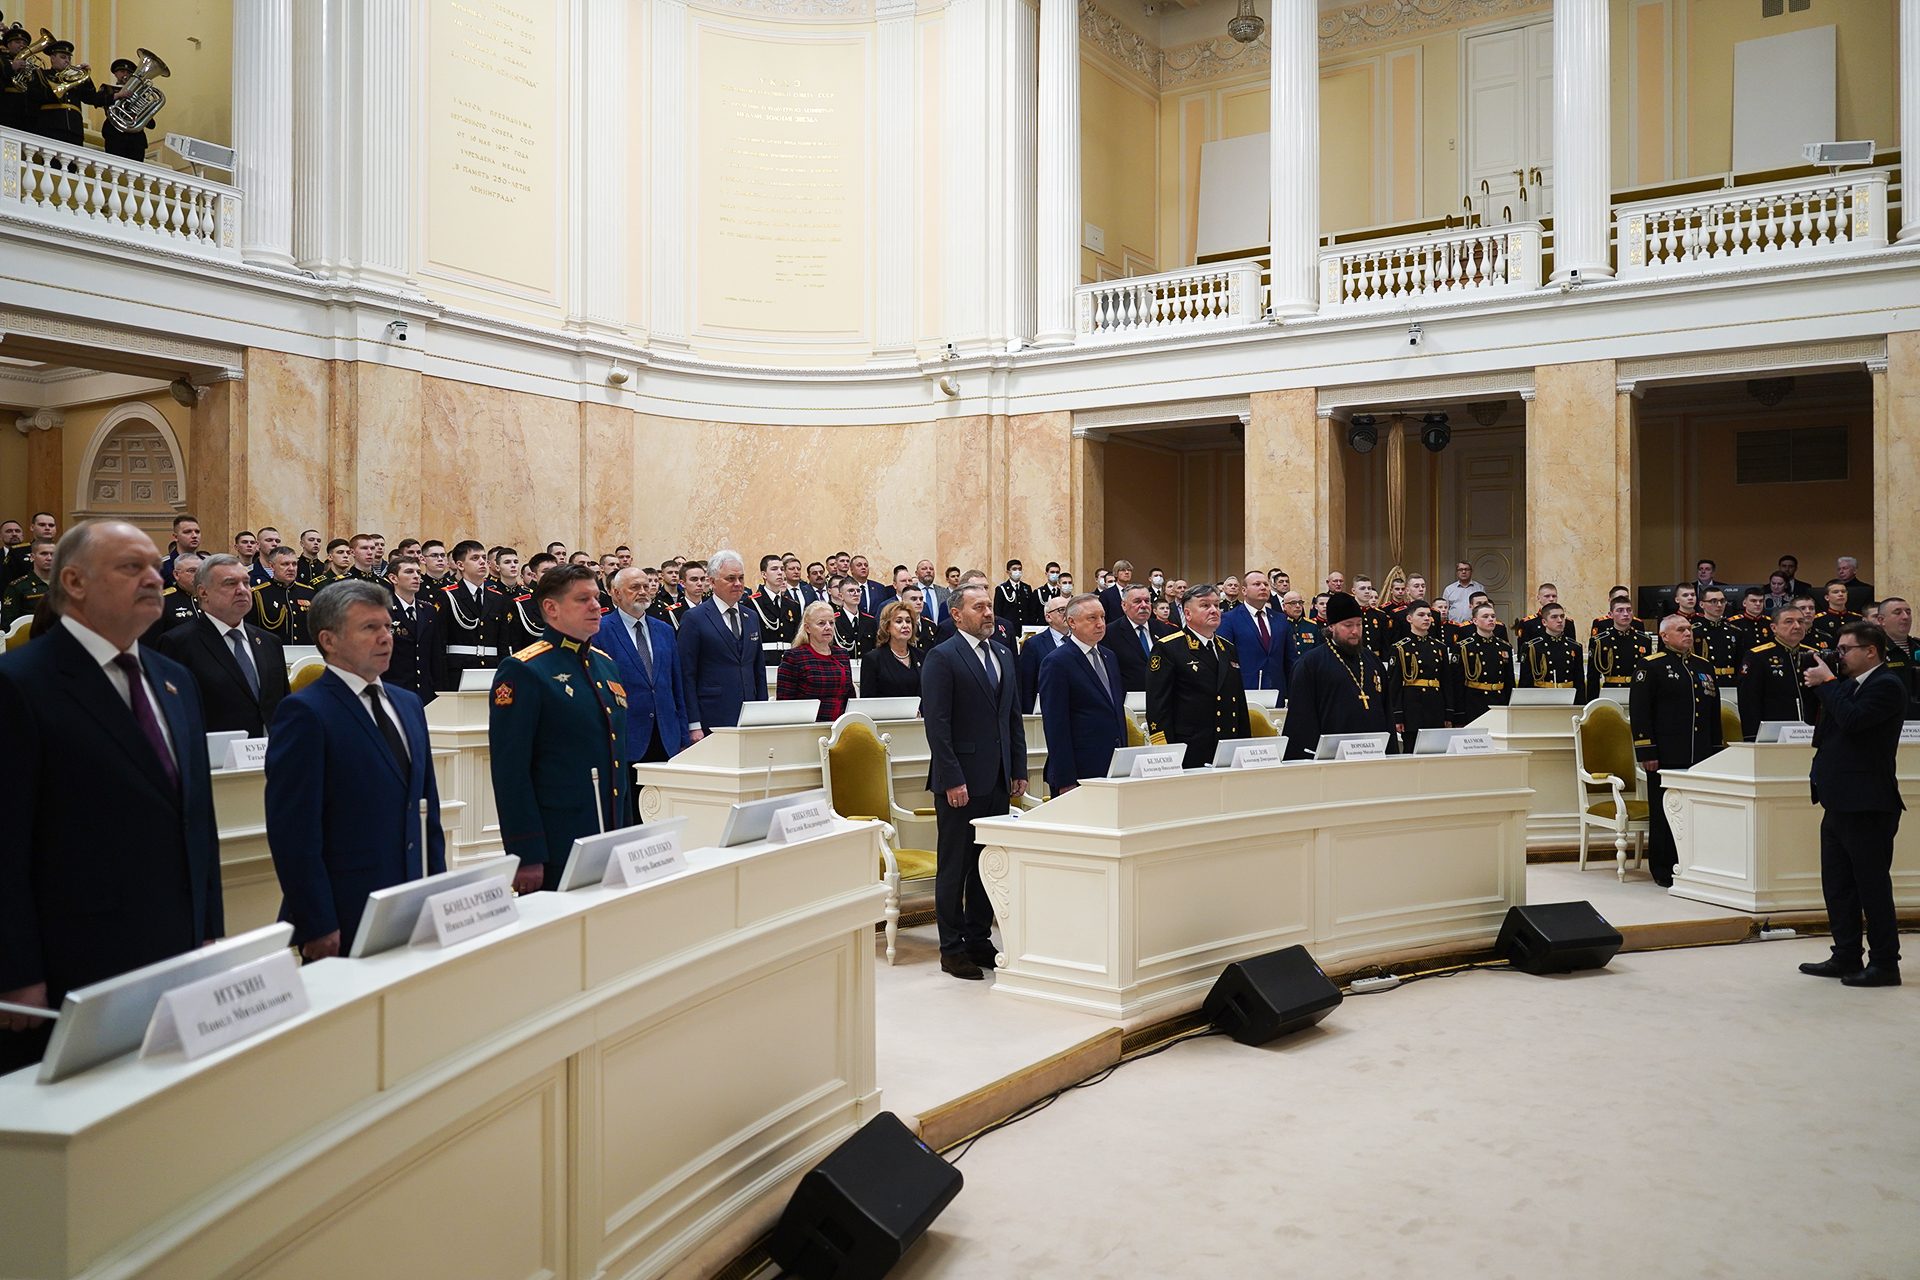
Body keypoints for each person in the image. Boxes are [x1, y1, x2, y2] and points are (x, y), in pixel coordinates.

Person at [0, 521, 223, 1072]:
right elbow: (4, 842)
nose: (155, 578)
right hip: (70, 963)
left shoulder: (174, 680)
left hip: (176, 949)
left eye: (155, 566)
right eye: (132, 567)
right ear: (72, 581)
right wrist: (14, 971)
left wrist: (210, 934)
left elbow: (195, 822)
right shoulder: (20, 683)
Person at [264, 581, 447, 960]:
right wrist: (316, 920)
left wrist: (438, 888)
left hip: (412, 895)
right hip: (345, 906)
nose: (385, 638)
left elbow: (426, 806)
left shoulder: (408, 703)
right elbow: (294, 831)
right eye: (369, 628)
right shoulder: (306, 711)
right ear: (329, 640)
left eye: (387, 627)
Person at [489, 565, 629, 893]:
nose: (597, 606)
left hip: (608, 832)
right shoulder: (525, 670)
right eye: (583, 599)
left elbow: (616, 757)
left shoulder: (605, 663)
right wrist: (526, 853)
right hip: (558, 840)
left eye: (597, 597)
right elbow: (511, 771)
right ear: (551, 608)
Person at [921, 582, 1027, 980]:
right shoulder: (942, 657)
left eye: (990, 606)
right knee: (955, 866)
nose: (989, 613)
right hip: (959, 781)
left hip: (997, 777)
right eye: (979, 606)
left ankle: (979, 938)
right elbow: (939, 725)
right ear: (957, 614)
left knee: (988, 864)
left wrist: (1017, 768)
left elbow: (1011, 717)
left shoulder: (1002, 653)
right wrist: (952, 778)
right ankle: (951, 949)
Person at [1798, 621, 1905, 986]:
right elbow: (1829, 733)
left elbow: (1855, 721)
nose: (1839, 656)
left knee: (1871, 886)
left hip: (1869, 804)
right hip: (1838, 801)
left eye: (1846, 650)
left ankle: (1885, 963)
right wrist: (1825, 686)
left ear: (1870, 651)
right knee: (1838, 885)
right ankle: (1845, 955)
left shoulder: (1887, 685)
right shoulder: (1848, 686)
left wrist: (1828, 684)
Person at [154, 552, 290, 737]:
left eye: (246, 582)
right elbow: (173, 713)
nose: (242, 589)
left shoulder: (269, 642)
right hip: (215, 758)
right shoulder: (179, 643)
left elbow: (282, 705)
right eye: (230, 583)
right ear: (203, 592)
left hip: (271, 754)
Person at [1631, 615, 1723, 886]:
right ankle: (1663, 868)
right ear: (1664, 636)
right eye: (1680, 629)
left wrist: (1716, 748)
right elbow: (1640, 712)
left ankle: (1696, 863)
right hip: (1665, 753)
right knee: (1665, 813)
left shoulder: (1704, 666)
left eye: (1689, 629)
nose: (1687, 633)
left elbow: (1712, 711)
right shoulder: (1651, 666)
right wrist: (1646, 751)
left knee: (1697, 811)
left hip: (1700, 752)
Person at [596, 567, 689, 817]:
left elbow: (675, 685)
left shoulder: (664, 630)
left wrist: (682, 735)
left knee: (664, 813)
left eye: (645, 586)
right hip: (627, 738)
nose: (642, 592)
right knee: (631, 815)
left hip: (666, 737)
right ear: (615, 594)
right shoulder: (601, 631)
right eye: (634, 587)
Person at [1144, 584, 1250, 769]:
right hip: (1190, 748)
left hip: (1228, 744)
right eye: (1205, 605)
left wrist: (1244, 745)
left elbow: (1238, 701)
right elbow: (1158, 705)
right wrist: (1166, 751)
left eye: (1217, 605)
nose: (1214, 610)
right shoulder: (1169, 648)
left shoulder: (1228, 648)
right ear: (1188, 613)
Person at [1282, 592, 1394, 759]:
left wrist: (1390, 752)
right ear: (1331, 627)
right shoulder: (1310, 664)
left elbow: (1386, 711)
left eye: (1359, 624)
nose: (1355, 631)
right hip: (1330, 758)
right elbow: (1301, 719)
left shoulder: (1372, 661)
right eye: (1348, 625)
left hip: (1373, 754)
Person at [1038, 594, 1127, 795]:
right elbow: (1055, 724)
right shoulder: (1057, 662)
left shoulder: (1109, 656)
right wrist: (1065, 778)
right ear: (1072, 622)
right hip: (1078, 771)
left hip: (1113, 766)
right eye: (1092, 618)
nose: (1100, 624)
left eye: (1103, 617)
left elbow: (1115, 712)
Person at [678, 549, 767, 738]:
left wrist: (762, 713)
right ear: (711, 582)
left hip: (750, 716)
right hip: (712, 715)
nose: (738, 584)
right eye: (730, 578)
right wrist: (693, 724)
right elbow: (687, 673)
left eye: (741, 578)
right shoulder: (694, 618)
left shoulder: (750, 616)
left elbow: (758, 669)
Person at [1738, 608, 1816, 741]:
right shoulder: (1758, 656)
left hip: (1810, 731)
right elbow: (1749, 700)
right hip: (1774, 732)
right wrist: (1752, 736)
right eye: (1789, 622)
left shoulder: (1814, 655)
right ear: (1774, 627)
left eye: (1800, 622)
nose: (1797, 626)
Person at [438, 539, 507, 687]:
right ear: (460, 565)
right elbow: (440, 642)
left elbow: (503, 644)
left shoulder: (497, 598)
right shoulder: (448, 596)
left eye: (483, 558)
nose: (482, 562)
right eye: (475, 558)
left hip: (492, 670)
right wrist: (442, 682)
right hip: (458, 671)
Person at [1217, 569, 1290, 697]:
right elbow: (1225, 660)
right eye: (1257, 584)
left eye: (1266, 584)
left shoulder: (1281, 619)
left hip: (1278, 691)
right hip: (1243, 691)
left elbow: (1290, 659)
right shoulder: (1229, 619)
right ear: (1244, 591)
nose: (1263, 587)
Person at [778, 601, 854, 722]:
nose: (828, 627)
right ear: (808, 628)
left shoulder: (842, 654)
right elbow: (785, 702)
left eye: (831, 623)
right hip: (807, 726)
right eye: (821, 623)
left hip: (840, 725)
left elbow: (850, 696)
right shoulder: (794, 657)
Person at [1390, 599, 1450, 753]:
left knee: (1436, 752)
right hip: (1412, 707)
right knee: (1411, 751)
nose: (1426, 619)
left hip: (1435, 706)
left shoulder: (1439, 647)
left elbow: (1446, 682)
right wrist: (1398, 715)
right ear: (1409, 619)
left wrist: (1448, 712)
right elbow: (1395, 685)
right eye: (1421, 615)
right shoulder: (1401, 648)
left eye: (1429, 615)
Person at [386, 557, 446, 701]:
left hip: (425, 691)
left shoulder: (428, 610)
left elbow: (436, 653)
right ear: (393, 578)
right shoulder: (383, 610)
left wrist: (440, 689)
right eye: (409, 572)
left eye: (418, 572)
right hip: (394, 689)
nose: (416, 576)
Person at [1452, 603, 1514, 723]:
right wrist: (1459, 712)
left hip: (1498, 700)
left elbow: (1509, 680)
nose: (1491, 619)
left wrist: (1509, 705)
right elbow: (1457, 682)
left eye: (1493, 616)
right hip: (1474, 702)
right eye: (1485, 616)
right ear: (1475, 621)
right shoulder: (1464, 647)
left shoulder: (1504, 646)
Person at [1518, 603, 1588, 702]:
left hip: (1568, 697)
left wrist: (1580, 704)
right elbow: (1525, 681)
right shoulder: (1532, 647)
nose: (1560, 620)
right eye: (1554, 617)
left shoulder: (1575, 647)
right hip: (1541, 698)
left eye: (1562, 616)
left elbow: (1579, 681)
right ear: (1544, 622)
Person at [1016, 593, 1072, 711]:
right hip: (1046, 709)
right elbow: (1026, 685)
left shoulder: (1080, 640)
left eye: (1070, 609)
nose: (1067, 614)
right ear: (1048, 617)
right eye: (1062, 610)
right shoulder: (1033, 645)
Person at [250, 546, 315, 646]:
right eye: (285, 564)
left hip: (304, 655)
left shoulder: (308, 593)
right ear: (272, 566)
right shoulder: (259, 594)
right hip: (273, 653)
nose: (291, 568)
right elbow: (252, 631)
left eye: (294, 564)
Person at [1100, 582, 1159, 692]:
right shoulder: (1109, 633)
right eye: (1137, 601)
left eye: (1147, 601)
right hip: (1128, 699)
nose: (1143, 605)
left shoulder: (1165, 630)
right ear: (1124, 605)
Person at [861, 599, 924, 700]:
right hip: (888, 715)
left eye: (908, 621)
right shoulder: (873, 659)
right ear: (887, 627)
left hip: (919, 715)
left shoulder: (921, 656)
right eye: (899, 621)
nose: (905, 625)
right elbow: (868, 699)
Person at [0, 536, 53, 626]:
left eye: (53, 554)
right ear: (32, 557)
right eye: (44, 554)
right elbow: (8, 627)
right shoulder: (18, 587)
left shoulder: (65, 585)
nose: (49, 558)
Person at [1808, 579, 1863, 649]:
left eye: (1843, 591)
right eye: (1836, 592)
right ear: (1827, 597)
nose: (1840, 594)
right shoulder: (1817, 620)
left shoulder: (1857, 619)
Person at [830, 575, 878, 655]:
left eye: (858, 591)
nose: (856, 594)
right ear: (841, 596)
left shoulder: (870, 621)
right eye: (851, 591)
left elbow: (875, 648)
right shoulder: (834, 620)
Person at [995, 559, 1040, 630]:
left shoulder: (1027, 588)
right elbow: (998, 611)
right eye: (1014, 569)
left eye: (1019, 569)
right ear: (1008, 572)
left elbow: (1031, 609)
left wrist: (1031, 624)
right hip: (1009, 627)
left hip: (1025, 627)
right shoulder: (1001, 589)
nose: (1017, 571)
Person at [1099, 559, 1136, 624]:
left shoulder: (1136, 592)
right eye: (1123, 570)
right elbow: (1103, 616)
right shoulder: (1106, 594)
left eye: (1129, 570)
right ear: (1116, 573)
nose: (1127, 572)